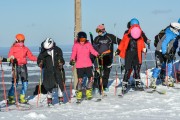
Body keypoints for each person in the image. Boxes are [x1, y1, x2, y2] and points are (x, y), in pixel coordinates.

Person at [117, 18, 147, 93]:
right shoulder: (137, 35)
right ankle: (136, 84)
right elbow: (142, 42)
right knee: (134, 69)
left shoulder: (128, 35)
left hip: (131, 53)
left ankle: (126, 85)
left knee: (130, 69)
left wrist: (118, 50)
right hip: (134, 53)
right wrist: (144, 49)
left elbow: (122, 43)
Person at [8, 33, 37, 104]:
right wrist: (11, 59)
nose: (22, 42)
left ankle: (22, 97)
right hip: (15, 66)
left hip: (23, 66)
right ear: (17, 40)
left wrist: (39, 59)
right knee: (15, 83)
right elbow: (10, 56)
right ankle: (11, 98)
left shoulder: (25, 49)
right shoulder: (13, 48)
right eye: (20, 41)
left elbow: (31, 56)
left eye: (23, 41)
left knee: (25, 82)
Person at [70, 31, 99, 102]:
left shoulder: (88, 44)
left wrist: (97, 54)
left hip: (88, 64)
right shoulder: (76, 45)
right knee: (80, 80)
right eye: (81, 40)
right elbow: (73, 54)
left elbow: (92, 51)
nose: (82, 41)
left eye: (84, 40)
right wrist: (72, 60)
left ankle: (88, 93)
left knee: (91, 79)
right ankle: (79, 95)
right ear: (78, 39)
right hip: (80, 66)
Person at [149, 22, 180, 89]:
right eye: (178, 30)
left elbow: (171, 45)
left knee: (169, 65)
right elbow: (164, 44)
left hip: (167, 52)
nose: (178, 31)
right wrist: (165, 53)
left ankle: (167, 78)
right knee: (159, 66)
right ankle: (153, 80)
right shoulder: (169, 34)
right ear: (175, 29)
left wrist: (171, 53)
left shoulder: (174, 34)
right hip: (159, 52)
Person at [93, 24, 121, 93]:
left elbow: (120, 41)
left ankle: (104, 86)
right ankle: (97, 86)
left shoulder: (110, 36)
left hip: (108, 58)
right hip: (99, 58)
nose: (98, 33)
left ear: (102, 30)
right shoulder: (97, 38)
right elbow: (93, 48)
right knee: (98, 73)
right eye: (97, 31)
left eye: (99, 31)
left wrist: (118, 51)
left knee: (106, 73)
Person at [37, 38, 65, 106]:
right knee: (49, 85)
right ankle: (49, 100)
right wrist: (40, 63)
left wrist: (61, 63)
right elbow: (39, 59)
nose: (48, 50)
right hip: (48, 70)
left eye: (49, 48)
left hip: (57, 69)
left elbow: (61, 59)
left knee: (60, 84)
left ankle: (61, 99)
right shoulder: (43, 51)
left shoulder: (58, 50)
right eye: (47, 49)